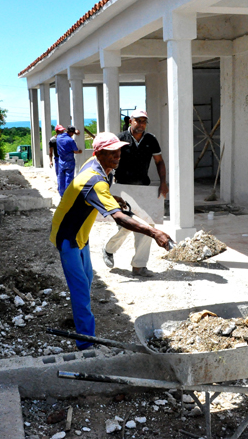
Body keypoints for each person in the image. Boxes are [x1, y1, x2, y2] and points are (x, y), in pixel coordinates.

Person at [50, 132, 172, 350]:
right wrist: (154, 233)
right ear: (98, 153)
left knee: (86, 282)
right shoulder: (95, 179)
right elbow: (119, 217)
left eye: (118, 151)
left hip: (81, 235)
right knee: (80, 292)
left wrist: (112, 198)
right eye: (111, 152)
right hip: (68, 237)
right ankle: (86, 345)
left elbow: (88, 193)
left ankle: (85, 334)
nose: (117, 156)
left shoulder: (99, 168)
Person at [102, 109, 169, 277]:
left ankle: (139, 266)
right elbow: (109, 162)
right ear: (130, 121)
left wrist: (163, 183)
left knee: (148, 225)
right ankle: (109, 249)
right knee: (127, 226)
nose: (141, 124)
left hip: (143, 189)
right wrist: (106, 186)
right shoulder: (120, 139)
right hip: (123, 189)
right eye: (138, 121)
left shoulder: (150, 140)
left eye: (144, 121)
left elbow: (159, 162)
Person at [56, 126, 83, 196]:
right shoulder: (70, 140)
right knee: (69, 179)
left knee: (61, 178)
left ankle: (61, 194)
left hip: (61, 161)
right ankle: (67, 195)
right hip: (69, 162)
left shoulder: (58, 137)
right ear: (71, 133)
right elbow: (75, 151)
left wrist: (74, 132)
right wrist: (80, 151)